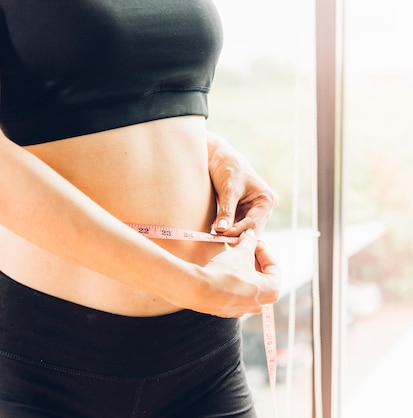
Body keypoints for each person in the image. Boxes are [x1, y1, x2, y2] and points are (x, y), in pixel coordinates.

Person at [0, 1, 280, 417]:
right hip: (48, 368)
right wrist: (191, 284)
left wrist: (211, 147)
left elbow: (124, 96)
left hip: (205, 355)